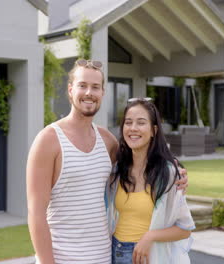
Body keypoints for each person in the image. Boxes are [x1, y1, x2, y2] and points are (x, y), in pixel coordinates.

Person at [26, 59, 187, 264]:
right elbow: (35, 212)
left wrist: (176, 172)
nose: (89, 93)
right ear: (70, 90)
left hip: (105, 258)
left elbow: (141, 160)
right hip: (63, 258)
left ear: (103, 93)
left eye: (95, 87)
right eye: (82, 85)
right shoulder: (48, 140)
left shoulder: (107, 141)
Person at [107, 98, 195, 264]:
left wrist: (150, 237)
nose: (133, 128)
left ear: (154, 130)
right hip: (113, 253)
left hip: (147, 257)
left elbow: (185, 228)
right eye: (128, 122)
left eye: (141, 123)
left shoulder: (168, 174)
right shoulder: (116, 171)